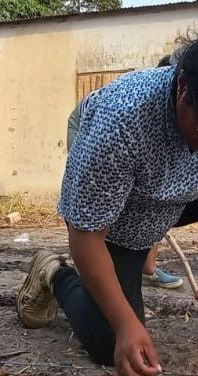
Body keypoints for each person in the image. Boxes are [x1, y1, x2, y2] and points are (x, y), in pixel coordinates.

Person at [19, 19, 198, 376]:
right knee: (108, 342)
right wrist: (126, 325)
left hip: (172, 190)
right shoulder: (121, 123)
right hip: (123, 209)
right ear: (183, 87)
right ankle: (55, 273)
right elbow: (86, 234)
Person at [65, 55, 184, 290]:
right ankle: (83, 264)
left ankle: (147, 268)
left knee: (159, 194)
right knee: (90, 202)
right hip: (85, 123)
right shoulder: (130, 110)